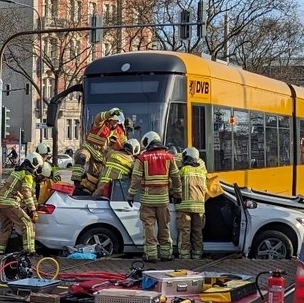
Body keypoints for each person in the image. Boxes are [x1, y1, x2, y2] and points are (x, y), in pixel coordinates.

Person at [127, 131, 182, 263]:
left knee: (149, 227)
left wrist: (131, 194)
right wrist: (178, 194)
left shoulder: (142, 158)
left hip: (147, 200)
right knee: (164, 226)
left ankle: (151, 255)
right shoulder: (169, 157)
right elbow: (176, 177)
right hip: (163, 200)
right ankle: (166, 254)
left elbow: (136, 178)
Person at [0, 152, 43, 256]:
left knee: (6, 228)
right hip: (10, 203)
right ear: (35, 165)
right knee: (28, 224)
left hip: (1, 202)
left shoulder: (17, 171)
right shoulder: (27, 175)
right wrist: (33, 210)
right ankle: (30, 251)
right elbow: (26, 191)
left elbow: (24, 193)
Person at [71, 107, 126, 195]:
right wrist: (109, 113)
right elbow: (98, 117)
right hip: (89, 148)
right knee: (81, 157)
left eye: (116, 121)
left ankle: (86, 190)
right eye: (113, 120)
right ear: (109, 119)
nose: (115, 123)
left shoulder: (119, 132)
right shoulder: (101, 124)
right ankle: (76, 181)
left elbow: (124, 144)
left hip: (101, 157)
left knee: (94, 177)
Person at [176, 147, 208, 259]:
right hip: (199, 208)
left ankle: (184, 256)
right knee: (197, 232)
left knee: (185, 232)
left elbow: (175, 186)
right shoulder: (202, 172)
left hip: (185, 207)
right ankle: (197, 255)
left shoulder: (183, 170)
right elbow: (205, 189)